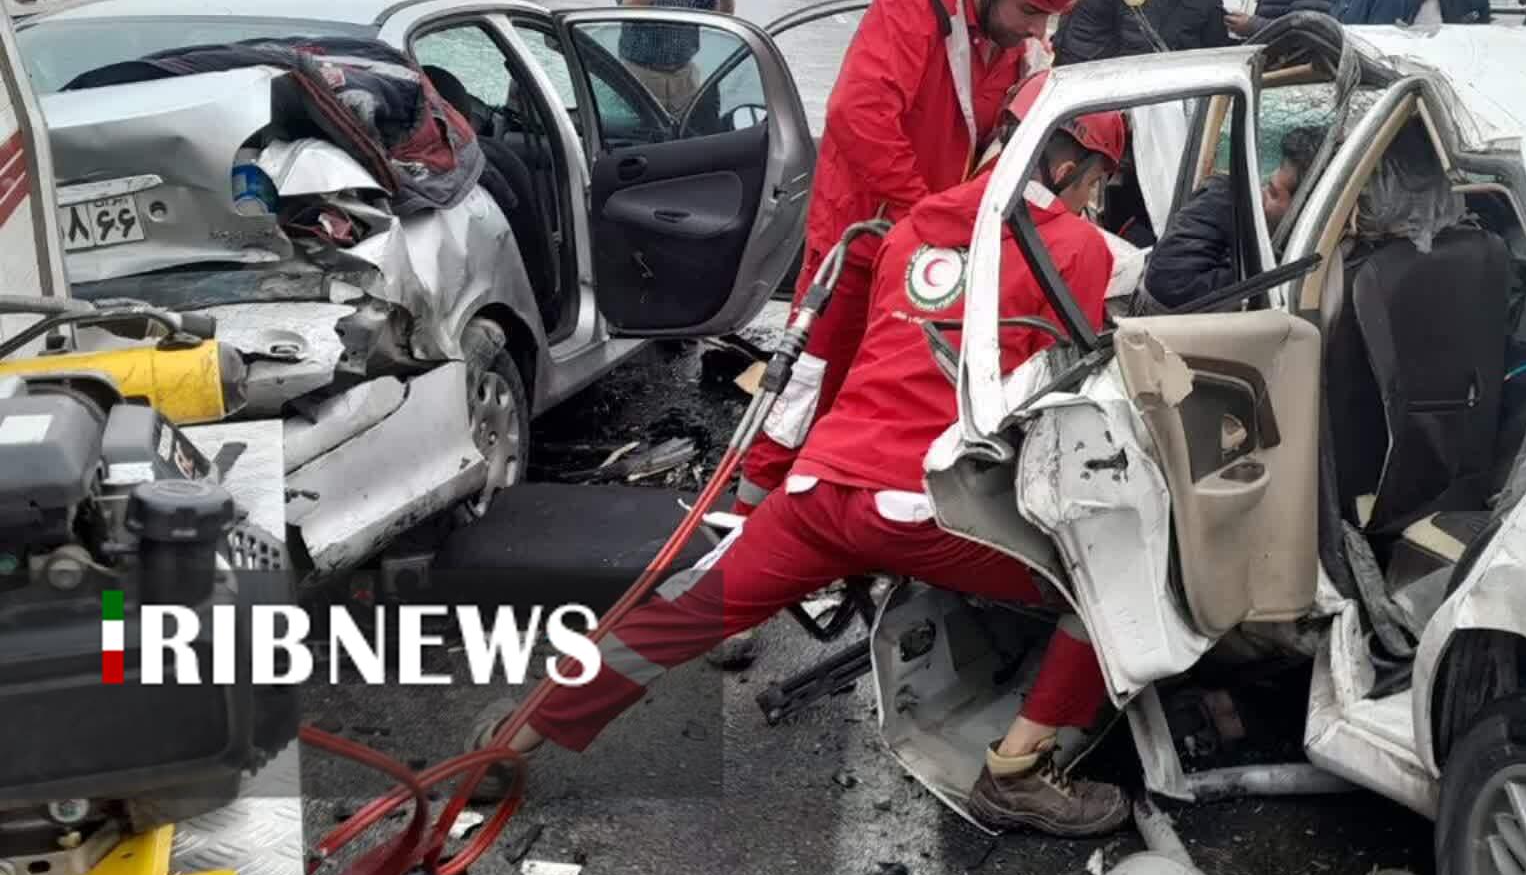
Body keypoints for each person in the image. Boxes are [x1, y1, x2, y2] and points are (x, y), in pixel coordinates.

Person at [465, 80, 1135, 836]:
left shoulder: (912, 225)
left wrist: (760, 489)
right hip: (926, 507)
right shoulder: (1076, 250)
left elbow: (832, 364)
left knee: (680, 615)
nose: (1092, 201)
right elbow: (1049, 396)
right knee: (1101, 587)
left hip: (821, 487)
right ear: (1068, 167)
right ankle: (1018, 769)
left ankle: (508, 741)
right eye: (1097, 185)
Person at [735, 0, 1090, 513]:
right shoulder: (920, 2)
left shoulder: (1023, 47)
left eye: (1050, 17)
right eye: (1030, 11)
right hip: (864, 233)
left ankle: (834, 515)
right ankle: (744, 513)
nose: (1039, 29)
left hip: (927, 251)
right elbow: (859, 115)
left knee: (884, 395)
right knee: (810, 379)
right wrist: (926, 213)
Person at [1138, 125, 1322, 312]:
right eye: (1268, 186)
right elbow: (1169, 283)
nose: (1263, 197)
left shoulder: (1305, 256)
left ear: (1303, 210)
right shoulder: (1228, 202)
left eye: (1273, 193)